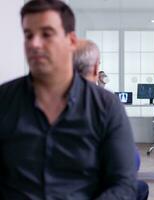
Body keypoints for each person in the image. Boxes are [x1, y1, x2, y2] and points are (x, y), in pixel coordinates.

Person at [0, 0, 137, 199]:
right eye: (29, 35)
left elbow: (124, 184)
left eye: (46, 34)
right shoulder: (4, 101)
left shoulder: (105, 106)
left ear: (71, 41)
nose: (34, 43)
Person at [73, 39, 149, 200]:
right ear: (95, 68)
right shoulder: (106, 102)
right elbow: (131, 162)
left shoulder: (53, 98)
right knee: (140, 186)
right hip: (92, 182)